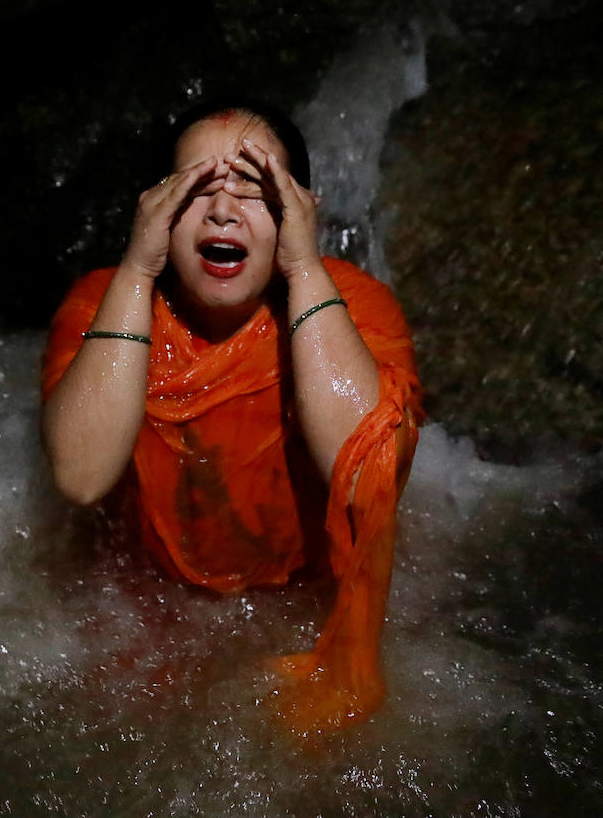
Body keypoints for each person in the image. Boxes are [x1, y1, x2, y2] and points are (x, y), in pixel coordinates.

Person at [40, 99, 422, 735]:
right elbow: (79, 477)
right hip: (155, 607)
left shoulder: (356, 308)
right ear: (155, 211)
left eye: (252, 190)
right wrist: (137, 271)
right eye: (195, 191)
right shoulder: (104, 304)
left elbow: (366, 481)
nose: (222, 210)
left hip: (302, 606)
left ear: (297, 213)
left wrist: (303, 267)